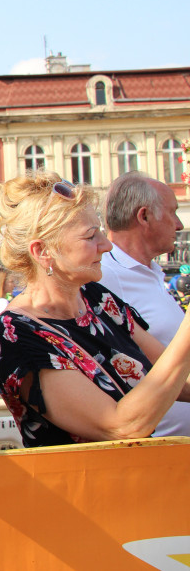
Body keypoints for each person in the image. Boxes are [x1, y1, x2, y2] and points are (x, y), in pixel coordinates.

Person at [0, 171, 190, 448]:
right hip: (86, 488)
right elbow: (121, 427)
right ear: (43, 251)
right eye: (91, 236)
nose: (106, 246)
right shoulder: (16, 333)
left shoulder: (94, 297)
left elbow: (175, 379)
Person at [98, 171, 190, 435]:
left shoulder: (150, 271)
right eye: (173, 212)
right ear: (144, 216)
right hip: (154, 451)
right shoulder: (104, 275)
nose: (179, 224)